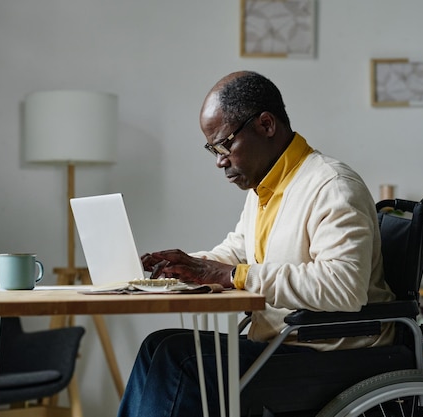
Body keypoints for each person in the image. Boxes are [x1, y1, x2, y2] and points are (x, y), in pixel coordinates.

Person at [117, 71, 395, 417]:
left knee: (181, 360)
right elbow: (236, 253)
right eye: (213, 149)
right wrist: (180, 268)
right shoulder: (265, 188)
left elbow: (343, 288)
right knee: (158, 345)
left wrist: (231, 275)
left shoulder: (332, 186)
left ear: (266, 125)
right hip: (284, 343)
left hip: (333, 353)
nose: (220, 160)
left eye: (225, 144)